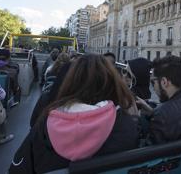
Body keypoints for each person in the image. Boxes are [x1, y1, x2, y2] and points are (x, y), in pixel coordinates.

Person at [10, 54, 139, 173]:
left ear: (71, 81)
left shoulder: (46, 122)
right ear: (112, 82)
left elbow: (19, 167)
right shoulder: (126, 125)